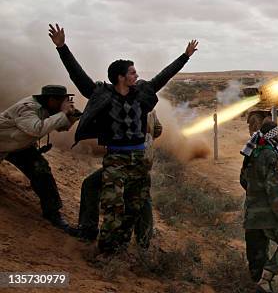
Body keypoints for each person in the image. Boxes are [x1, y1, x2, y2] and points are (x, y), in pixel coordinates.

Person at [48, 23, 198, 253]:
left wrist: (184, 57)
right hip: (116, 159)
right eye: (132, 72)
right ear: (120, 77)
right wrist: (62, 48)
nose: (136, 75)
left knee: (135, 206)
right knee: (112, 206)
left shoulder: (142, 93)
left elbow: (163, 76)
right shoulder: (102, 94)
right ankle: (106, 251)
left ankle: (125, 246)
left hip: (139, 159)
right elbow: (77, 76)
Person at [76, 110, 162, 246]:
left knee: (91, 185)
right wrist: (148, 137)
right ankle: (144, 240)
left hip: (124, 161)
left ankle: (89, 231)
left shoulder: (123, 104)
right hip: (143, 160)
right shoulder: (148, 105)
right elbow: (158, 129)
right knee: (142, 197)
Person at [0, 85, 80, 232]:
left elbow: (61, 127)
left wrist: (72, 116)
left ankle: (52, 213)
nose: (66, 102)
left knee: (41, 171)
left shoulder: (49, 108)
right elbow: (36, 129)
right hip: (3, 143)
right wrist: (63, 113)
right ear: (51, 100)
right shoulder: (27, 108)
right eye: (63, 100)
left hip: (19, 147)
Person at [240, 121, 278, 293]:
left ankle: (256, 283)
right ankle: (267, 278)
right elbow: (274, 190)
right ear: (274, 135)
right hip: (268, 215)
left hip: (251, 215)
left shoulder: (252, 153)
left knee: (256, 258)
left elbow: (243, 180)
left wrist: (255, 194)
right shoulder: (272, 156)